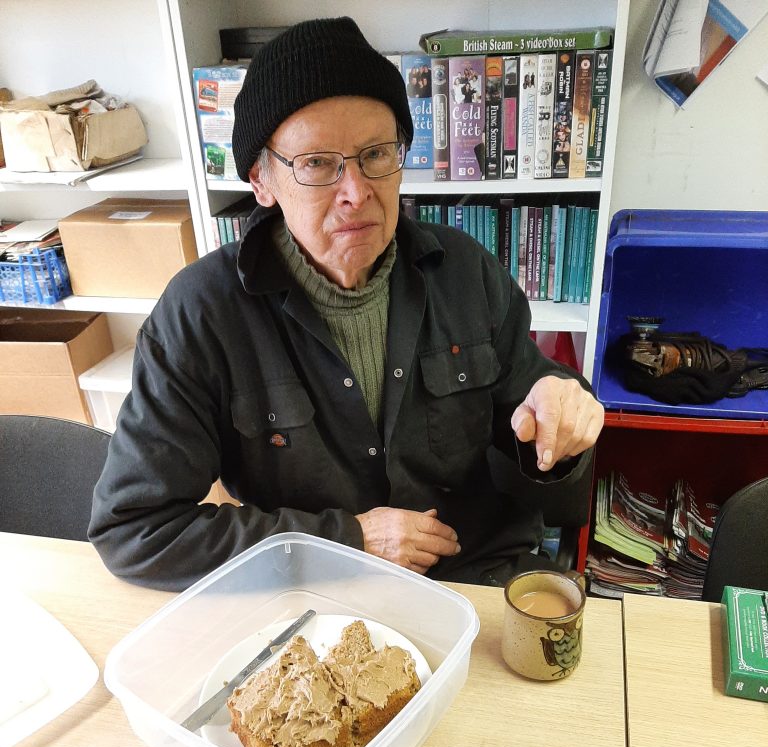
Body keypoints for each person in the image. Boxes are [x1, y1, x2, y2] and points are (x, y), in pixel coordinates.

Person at [89, 17, 604, 591]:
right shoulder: (202, 313)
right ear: (261, 181)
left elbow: (537, 450)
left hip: (475, 581)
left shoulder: (466, 272)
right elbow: (136, 529)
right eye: (317, 163)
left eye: (376, 154)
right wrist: (346, 543)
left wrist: (561, 424)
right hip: (310, 594)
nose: (356, 192)